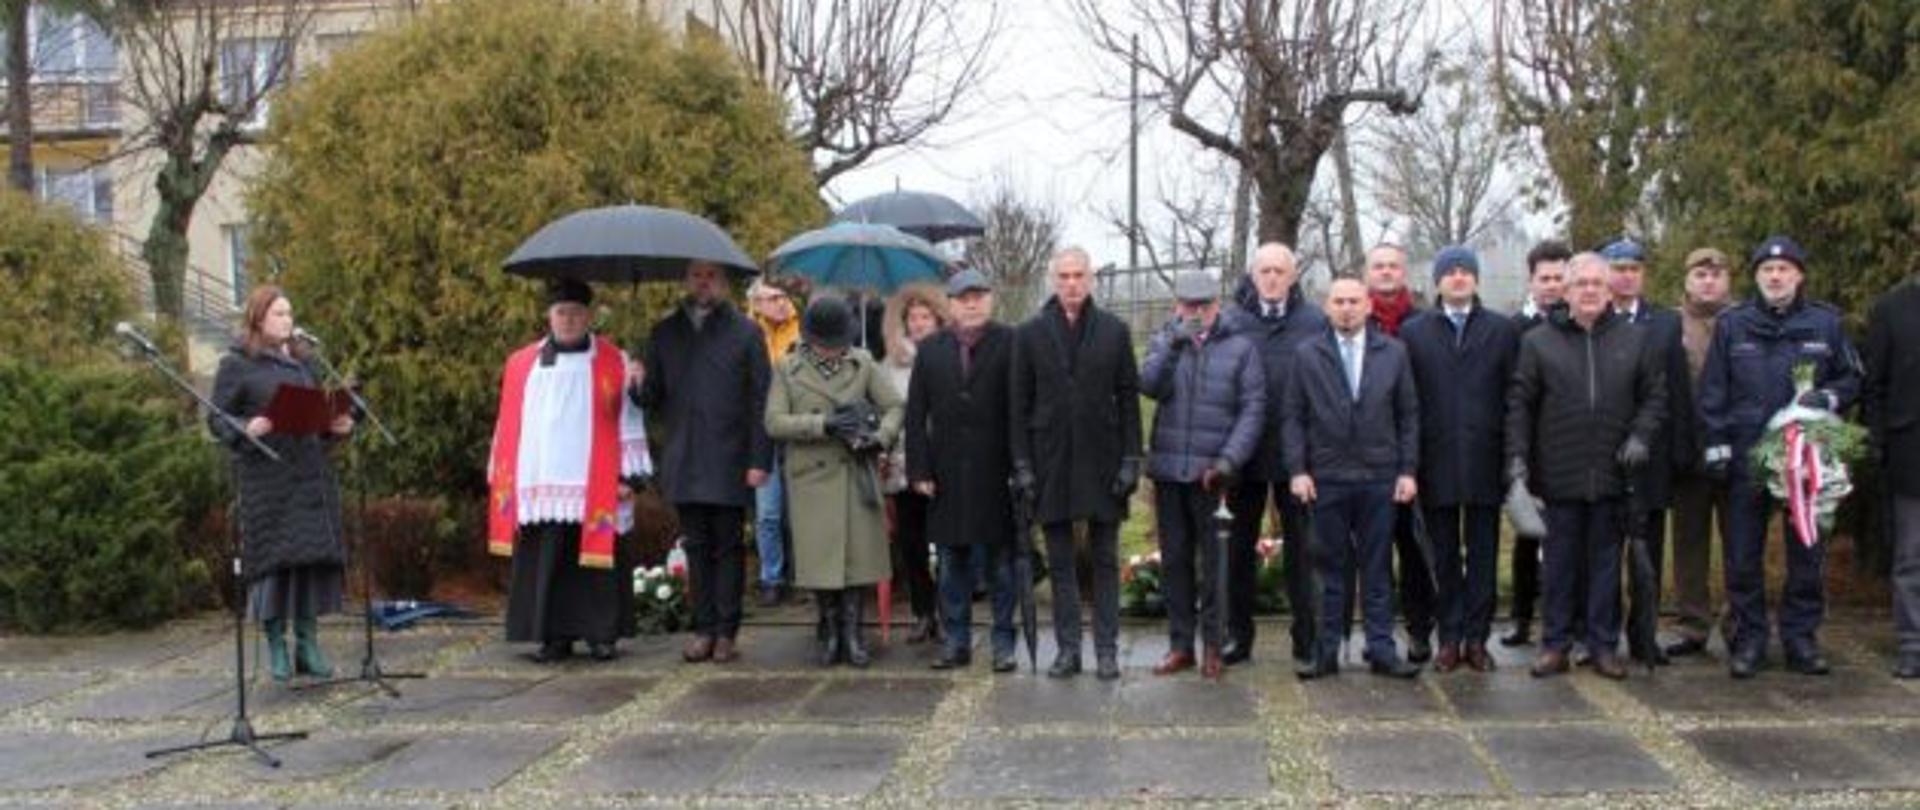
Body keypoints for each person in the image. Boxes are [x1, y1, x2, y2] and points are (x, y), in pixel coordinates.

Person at [1699, 236, 1861, 679]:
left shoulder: (1825, 324)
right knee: (1743, 557)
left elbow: (1852, 378)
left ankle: (1800, 639)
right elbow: (1713, 391)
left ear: (1799, 276)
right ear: (1756, 277)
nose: (1775, 277)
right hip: (1747, 460)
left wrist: (1827, 396)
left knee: (1807, 554)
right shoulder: (1733, 325)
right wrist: (1716, 445)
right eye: (1767, 271)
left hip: (1805, 461)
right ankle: (1750, 639)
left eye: (1784, 270)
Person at [1507, 253, 1666, 681]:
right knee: (1558, 565)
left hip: (1614, 473)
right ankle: (1555, 644)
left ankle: (1602, 645)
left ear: (1610, 289)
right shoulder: (1539, 341)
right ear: (1567, 291)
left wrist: (1641, 436)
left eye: (1598, 283)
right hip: (1558, 472)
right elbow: (1521, 404)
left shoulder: (1635, 339)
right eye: (1582, 284)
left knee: (1605, 564)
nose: (1590, 291)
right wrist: (1518, 458)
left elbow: (1655, 396)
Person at [488, 279, 651, 663]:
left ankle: (601, 635)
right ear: (549, 316)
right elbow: (507, 420)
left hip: (596, 478)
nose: (568, 320)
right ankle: (552, 636)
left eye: (576, 313)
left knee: (596, 562)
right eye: (561, 313)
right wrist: (500, 470)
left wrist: (628, 477)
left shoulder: (614, 360)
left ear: (589, 317)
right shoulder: (521, 364)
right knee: (548, 558)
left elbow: (629, 419)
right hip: (540, 479)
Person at [1011, 246, 1143, 680]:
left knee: (1105, 560)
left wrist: (1130, 459)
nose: (1071, 283)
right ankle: (1068, 649)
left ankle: (1106, 649)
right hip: (1050, 461)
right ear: (1053, 280)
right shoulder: (1029, 334)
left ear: (1091, 280)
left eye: (1079, 275)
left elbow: (1128, 399)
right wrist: (1023, 465)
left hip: (1102, 459)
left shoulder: (1113, 331)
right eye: (1064, 276)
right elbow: (1018, 405)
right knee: (1061, 562)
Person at [210, 285, 352, 682]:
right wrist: (245, 426)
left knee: (308, 562)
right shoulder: (238, 364)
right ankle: (275, 643)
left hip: (309, 477)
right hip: (268, 480)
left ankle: (308, 644)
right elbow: (215, 418)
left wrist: (336, 426)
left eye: (290, 313)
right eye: (279, 313)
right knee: (274, 564)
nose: (288, 320)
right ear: (258, 318)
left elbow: (313, 418)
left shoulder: (305, 363)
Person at [633, 262, 772, 665]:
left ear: (724, 282)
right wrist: (637, 381)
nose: (704, 282)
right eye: (696, 275)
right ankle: (702, 629)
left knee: (728, 546)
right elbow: (652, 398)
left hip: (731, 456)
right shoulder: (664, 333)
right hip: (685, 455)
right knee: (694, 546)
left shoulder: (746, 333)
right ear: (685, 280)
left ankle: (727, 632)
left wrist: (759, 458)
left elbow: (762, 398)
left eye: (711, 276)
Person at [1288, 277, 1422, 680]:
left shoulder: (1393, 353)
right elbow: (1293, 416)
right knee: (1329, 570)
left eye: (1353, 301)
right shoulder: (1307, 355)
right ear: (1327, 307)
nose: (1346, 308)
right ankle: (1327, 652)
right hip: (1326, 477)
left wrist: (1407, 471)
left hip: (1379, 477)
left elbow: (1408, 416)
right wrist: (1297, 470)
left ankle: (1381, 649)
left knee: (1378, 568)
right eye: (1339, 301)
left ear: (1367, 306)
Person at [766, 295, 904, 668]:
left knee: (858, 559)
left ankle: (854, 633)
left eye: (839, 344)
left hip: (855, 473)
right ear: (811, 339)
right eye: (827, 345)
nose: (833, 352)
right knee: (820, 561)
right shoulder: (787, 369)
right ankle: (827, 629)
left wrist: (880, 437)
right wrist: (821, 424)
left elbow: (894, 405)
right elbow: (774, 421)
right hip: (812, 477)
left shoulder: (863, 363)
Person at [1141, 272, 1266, 680]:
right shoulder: (1164, 342)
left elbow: (1253, 408)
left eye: (1205, 305)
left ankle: (1214, 644)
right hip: (1169, 472)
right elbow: (1150, 386)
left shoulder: (1241, 347)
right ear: (1178, 306)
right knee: (1175, 561)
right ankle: (1181, 646)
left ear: (1217, 305)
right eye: (1189, 305)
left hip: (1213, 475)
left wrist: (1230, 460)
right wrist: (1174, 346)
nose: (1197, 312)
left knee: (1216, 565)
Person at [1401, 246, 1520, 673]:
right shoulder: (1415, 333)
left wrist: (1513, 458)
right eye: (1449, 272)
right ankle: (1448, 637)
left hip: (1487, 460)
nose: (1457, 278)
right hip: (1436, 463)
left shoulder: (1502, 331)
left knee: (1484, 555)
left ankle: (1477, 638)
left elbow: (1514, 399)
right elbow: (1408, 404)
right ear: (1436, 281)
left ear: (1475, 280)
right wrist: (1410, 464)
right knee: (1444, 556)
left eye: (1464, 271)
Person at [904, 270, 1020, 672]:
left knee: (1001, 565)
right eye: (963, 297)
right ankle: (956, 641)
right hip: (946, 473)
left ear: (990, 300)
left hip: (997, 472)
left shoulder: (1010, 342)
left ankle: (1004, 642)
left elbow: (1021, 409)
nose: (971, 303)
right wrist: (919, 468)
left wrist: (1021, 467)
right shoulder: (932, 350)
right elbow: (915, 414)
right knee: (951, 563)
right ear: (950, 305)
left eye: (978, 296)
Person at [1222, 243, 1328, 672]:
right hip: (1244, 455)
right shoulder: (1231, 321)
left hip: (1297, 456)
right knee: (1237, 552)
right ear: (1252, 274)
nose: (1271, 278)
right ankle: (1237, 636)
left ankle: (1308, 638)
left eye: (1279, 271)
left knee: (1304, 552)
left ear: (1294, 274)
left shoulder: (1314, 322)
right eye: (1263, 270)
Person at [1602, 238, 1694, 666]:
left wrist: (1680, 451)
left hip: (1650, 456)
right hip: (1602, 455)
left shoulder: (1664, 324)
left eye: (1634, 269)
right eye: (1618, 268)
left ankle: (1644, 636)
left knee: (1647, 554)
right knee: (1602, 553)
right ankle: (1599, 634)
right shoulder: (1591, 319)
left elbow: (1676, 390)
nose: (1626, 276)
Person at [1364, 243, 1438, 662]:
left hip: (1410, 455)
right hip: (1364, 456)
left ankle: (1420, 629)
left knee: (1413, 548)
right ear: (1367, 273)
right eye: (1379, 266)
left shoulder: (1423, 323)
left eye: (1394, 265)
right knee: (1372, 551)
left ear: (1405, 272)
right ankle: (1377, 632)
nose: (1387, 272)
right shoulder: (1353, 318)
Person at [1664, 248, 1736, 658]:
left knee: (1739, 543)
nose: (1708, 281)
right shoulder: (1670, 324)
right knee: (1689, 542)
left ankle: (1738, 622)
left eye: (1716, 274)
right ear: (1687, 280)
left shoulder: (1742, 322)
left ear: (1727, 280)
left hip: (1734, 449)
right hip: (1688, 452)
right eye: (1700, 274)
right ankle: (1692, 624)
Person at [1504, 239, 1573, 647]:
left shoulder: (1579, 326)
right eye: (1543, 278)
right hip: (1529, 447)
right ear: (1530, 282)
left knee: (1567, 539)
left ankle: (1564, 620)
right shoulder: (1514, 329)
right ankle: (1521, 618)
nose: (1551, 286)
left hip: (1569, 445)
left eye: (1558, 278)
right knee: (1527, 537)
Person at [881, 283, 949, 644]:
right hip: (904, 465)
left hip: (945, 464)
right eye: (912, 318)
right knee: (912, 543)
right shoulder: (891, 364)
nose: (919, 323)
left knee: (949, 544)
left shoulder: (952, 355)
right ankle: (924, 612)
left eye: (925, 317)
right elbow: (883, 409)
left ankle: (949, 610)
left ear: (938, 320)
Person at [1864, 271, 1920, 679]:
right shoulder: (1892, 308)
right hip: (1910, 449)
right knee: (1911, 556)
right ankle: (1913, 644)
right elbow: (1874, 384)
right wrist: (1878, 438)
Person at [747, 276, 804, 607]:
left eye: (783, 296)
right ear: (756, 303)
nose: (780, 302)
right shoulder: (746, 334)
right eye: (772, 298)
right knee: (768, 512)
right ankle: (772, 577)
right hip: (762, 433)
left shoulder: (803, 332)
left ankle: (804, 574)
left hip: (796, 431)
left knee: (800, 510)